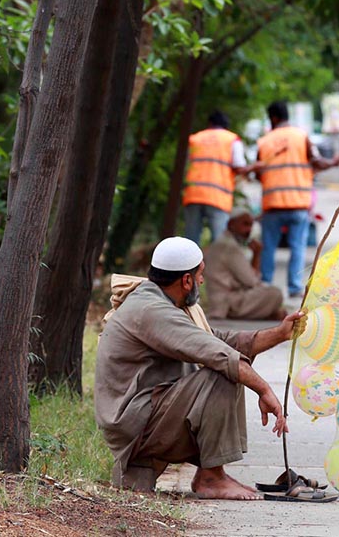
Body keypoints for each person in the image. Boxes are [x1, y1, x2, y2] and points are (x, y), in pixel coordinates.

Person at [94, 236, 306, 500]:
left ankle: (213, 473)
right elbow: (220, 354)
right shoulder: (152, 310)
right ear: (186, 280)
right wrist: (264, 390)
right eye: (200, 275)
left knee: (228, 362)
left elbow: (219, 340)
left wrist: (280, 333)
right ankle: (211, 478)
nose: (202, 282)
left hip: (143, 415)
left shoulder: (161, 302)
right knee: (223, 372)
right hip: (134, 424)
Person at [256, 101, 339, 298]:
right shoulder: (302, 137)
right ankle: (294, 287)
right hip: (298, 203)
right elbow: (317, 162)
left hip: (273, 203)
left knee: (269, 246)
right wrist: (333, 163)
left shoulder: (265, 141)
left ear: (273, 118)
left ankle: (266, 286)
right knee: (297, 246)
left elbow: (258, 173)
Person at [183, 110, 260, 245]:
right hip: (218, 196)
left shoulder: (195, 138)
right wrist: (252, 168)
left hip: (193, 194)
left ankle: (189, 266)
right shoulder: (231, 139)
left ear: (210, 123)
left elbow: (184, 165)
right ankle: (215, 266)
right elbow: (239, 166)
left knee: (191, 241)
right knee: (219, 242)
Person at [203, 206, 287, 321]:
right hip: (228, 302)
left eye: (250, 225)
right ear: (231, 224)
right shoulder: (230, 247)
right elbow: (251, 281)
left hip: (223, 300)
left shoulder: (224, 242)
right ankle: (267, 314)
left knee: (268, 290)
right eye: (245, 224)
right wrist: (257, 254)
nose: (249, 230)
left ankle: (267, 314)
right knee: (275, 293)